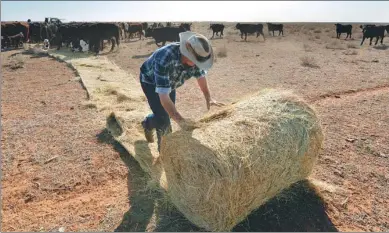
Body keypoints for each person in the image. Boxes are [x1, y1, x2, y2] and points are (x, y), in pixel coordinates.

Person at [139, 31, 224, 151]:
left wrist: (208, 98)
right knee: (164, 120)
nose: (197, 65)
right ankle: (164, 154)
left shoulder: (196, 59)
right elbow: (164, 97)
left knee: (167, 115)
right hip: (150, 82)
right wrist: (181, 121)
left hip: (170, 83)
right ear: (186, 52)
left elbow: (201, 78)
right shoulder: (164, 57)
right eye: (195, 61)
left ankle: (148, 122)